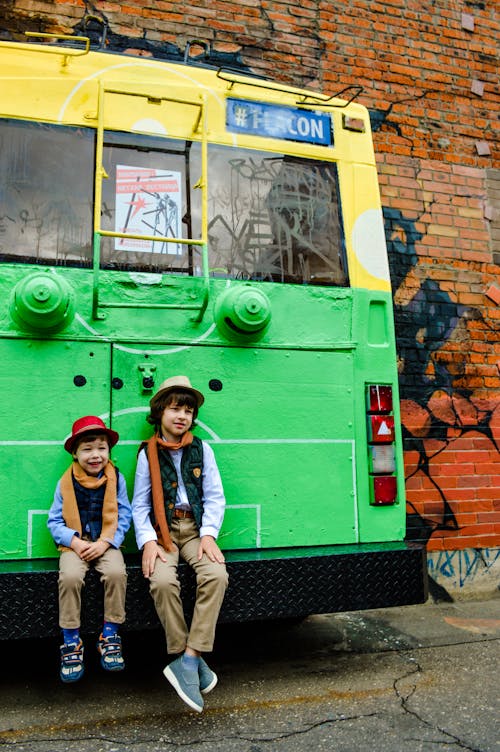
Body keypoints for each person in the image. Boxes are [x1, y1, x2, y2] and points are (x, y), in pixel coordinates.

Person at [132, 375, 228, 713]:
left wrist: (208, 534)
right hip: (163, 532)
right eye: (174, 409)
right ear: (159, 412)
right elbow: (140, 505)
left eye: (188, 411)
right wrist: (147, 542)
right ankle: (184, 657)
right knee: (160, 580)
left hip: (195, 528)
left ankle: (190, 658)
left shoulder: (202, 449)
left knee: (216, 575)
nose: (181, 416)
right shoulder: (148, 454)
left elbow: (215, 497)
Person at [47, 415, 132, 683]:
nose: (95, 455)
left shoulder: (116, 479)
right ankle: (71, 641)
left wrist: (107, 542)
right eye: (87, 449)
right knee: (70, 577)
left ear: (109, 451)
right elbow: (54, 521)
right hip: (75, 545)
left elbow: (124, 515)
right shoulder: (65, 483)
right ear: (75, 453)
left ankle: (110, 634)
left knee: (117, 573)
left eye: (101, 448)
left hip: (106, 541)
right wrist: (75, 542)